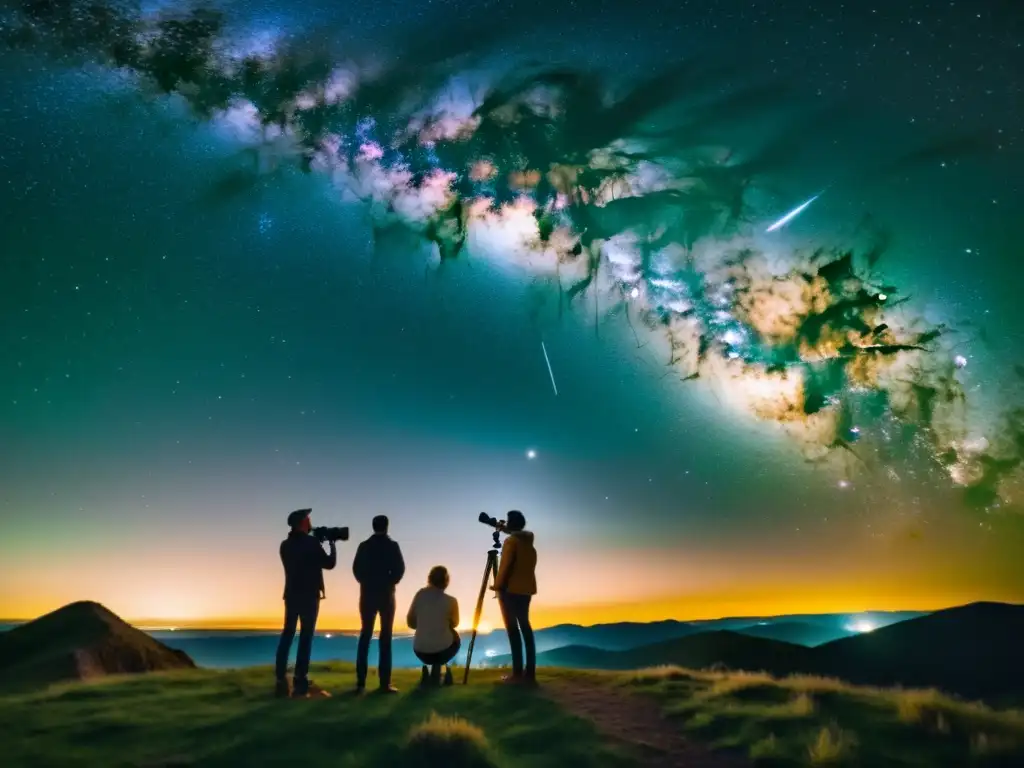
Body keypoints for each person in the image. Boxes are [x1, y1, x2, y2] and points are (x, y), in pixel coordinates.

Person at [275, 508, 337, 698]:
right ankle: (300, 681)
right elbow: (329, 563)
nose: (310, 522)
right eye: (308, 519)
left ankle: (280, 679)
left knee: (288, 634)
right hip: (309, 596)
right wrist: (332, 544)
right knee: (305, 638)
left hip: (292, 595)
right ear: (303, 522)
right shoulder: (310, 543)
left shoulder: (285, 545)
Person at [352, 514, 405, 692]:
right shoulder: (392, 546)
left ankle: (360, 682)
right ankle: (384, 683)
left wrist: (366, 582)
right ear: (387, 526)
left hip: (367, 595)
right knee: (386, 638)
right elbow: (400, 569)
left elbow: (356, 569)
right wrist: (389, 582)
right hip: (386, 595)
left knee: (365, 635)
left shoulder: (364, 546)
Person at [491, 509, 537, 684]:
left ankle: (517, 675)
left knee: (513, 631)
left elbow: (505, 567)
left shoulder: (511, 543)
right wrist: (501, 528)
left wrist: (497, 586)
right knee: (525, 628)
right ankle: (529, 674)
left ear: (511, 524)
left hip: (509, 591)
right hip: (526, 591)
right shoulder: (527, 541)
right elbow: (517, 534)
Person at [406, 565, 461, 687]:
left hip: (420, 651)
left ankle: (431, 673)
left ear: (429, 579)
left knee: (433, 640)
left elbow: (410, 622)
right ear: (446, 581)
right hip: (443, 651)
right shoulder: (451, 601)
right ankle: (442, 671)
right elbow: (455, 623)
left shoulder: (420, 595)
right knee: (455, 636)